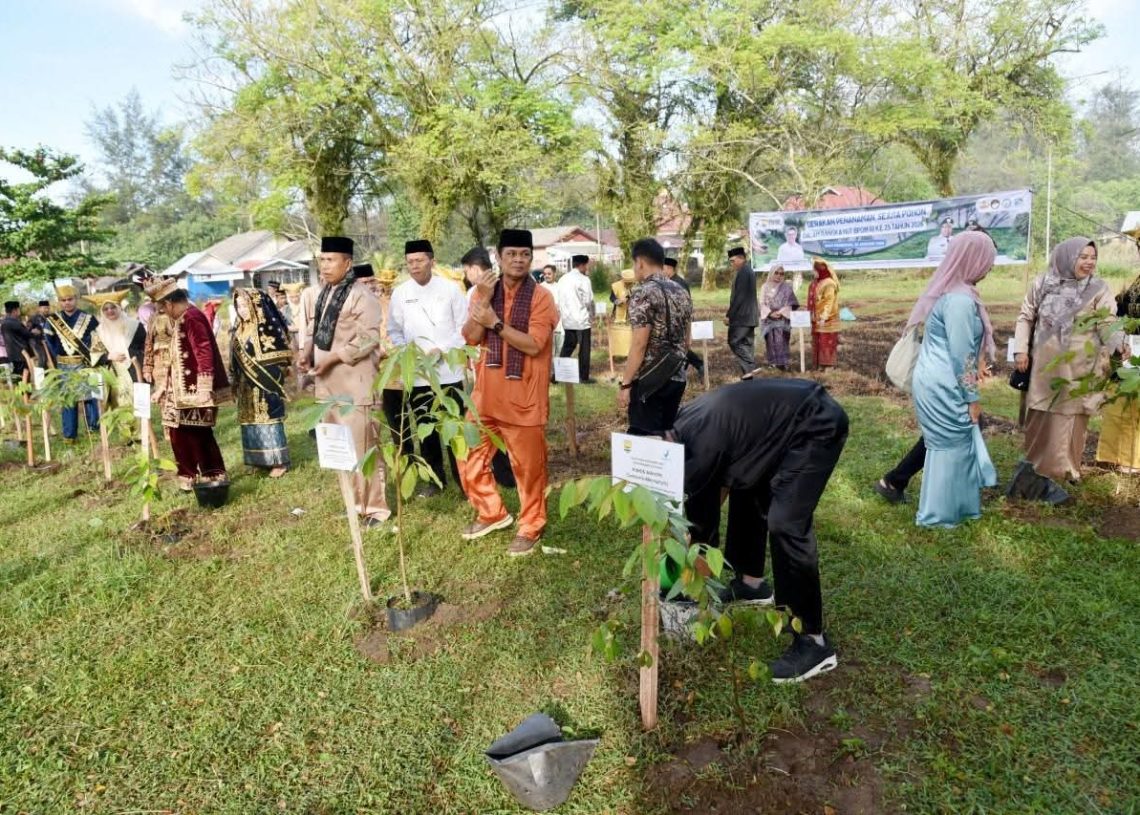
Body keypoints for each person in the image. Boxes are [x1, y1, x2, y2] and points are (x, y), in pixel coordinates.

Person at [673, 378, 848, 683]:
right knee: (747, 482)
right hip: (784, 422)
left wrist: (690, 592)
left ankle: (813, 641)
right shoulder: (683, 425)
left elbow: (703, 536)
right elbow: (721, 488)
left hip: (817, 426)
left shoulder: (696, 455)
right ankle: (752, 584)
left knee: (787, 523)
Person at [459, 228, 559, 556]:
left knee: (529, 470)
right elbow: (472, 337)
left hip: (524, 398)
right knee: (467, 453)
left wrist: (496, 323)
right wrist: (485, 303)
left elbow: (533, 344)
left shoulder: (542, 297)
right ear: (498, 258)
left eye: (524, 255)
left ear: (531, 258)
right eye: (511, 254)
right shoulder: (483, 292)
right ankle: (491, 512)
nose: (518, 260)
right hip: (485, 397)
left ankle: (531, 525)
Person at [1008, 237, 1119, 497]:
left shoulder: (1099, 288)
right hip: (1045, 366)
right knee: (1041, 412)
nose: (1089, 262)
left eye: (1093, 257)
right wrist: (1021, 349)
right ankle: (1036, 468)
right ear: (1067, 257)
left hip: (1080, 367)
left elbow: (1107, 323)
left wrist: (1119, 344)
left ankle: (1067, 470)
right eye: (1083, 257)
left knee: (1073, 417)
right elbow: (1026, 316)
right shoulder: (1043, 283)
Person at [907, 232, 999, 527]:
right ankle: (939, 515)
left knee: (956, 444)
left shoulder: (959, 292)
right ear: (973, 259)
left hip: (942, 377)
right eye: (988, 259)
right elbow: (961, 354)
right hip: (944, 382)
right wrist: (972, 397)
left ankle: (959, 508)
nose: (991, 266)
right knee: (950, 445)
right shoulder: (959, 300)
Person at [301, 235, 390, 527]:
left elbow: (369, 338)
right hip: (329, 386)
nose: (325, 266)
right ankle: (355, 504)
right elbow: (315, 328)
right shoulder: (325, 293)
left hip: (357, 386)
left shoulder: (361, 295)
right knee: (340, 448)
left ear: (347, 262)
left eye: (331, 260)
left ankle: (375, 509)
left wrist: (333, 357)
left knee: (363, 448)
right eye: (322, 260)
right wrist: (307, 354)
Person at [386, 238, 468, 497]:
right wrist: (409, 354)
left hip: (448, 373)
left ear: (432, 261)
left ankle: (465, 479)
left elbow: (463, 328)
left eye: (420, 260)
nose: (414, 266)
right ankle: (436, 480)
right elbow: (394, 331)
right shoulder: (401, 293)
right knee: (427, 430)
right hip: (419, 375)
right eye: (410, 262)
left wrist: (441, 350)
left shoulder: (451, 289)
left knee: (455, 428)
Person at [135, 272, 229, 492]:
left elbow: (203, 351)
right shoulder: (182, 318)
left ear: (169, 303)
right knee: (181, 432)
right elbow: (174, 358)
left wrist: (205, 388)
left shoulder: (192, 317)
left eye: (162, 307)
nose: (162, 312)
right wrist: (162, 388)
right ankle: (189, 474)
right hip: (180, 389)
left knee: (198, 432)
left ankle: (212, 472)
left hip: (195, 389)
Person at [618, 238, 692, 434]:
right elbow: (687, 340)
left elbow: (640, 343)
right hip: (677, 375)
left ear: (640, 262)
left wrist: (625, 384)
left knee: (644, 444)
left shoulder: (643, 292)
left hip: (650, 381)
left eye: (634, 264)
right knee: (665, 437)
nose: (634, 268)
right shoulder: (681, 291)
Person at [230, 288, 292, 478]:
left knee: (268, 420)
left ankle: (278, 461)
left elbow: (280, 357)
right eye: (238, 306)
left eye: (245, 305)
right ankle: (258, 459)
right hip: (245, 384)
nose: (241, 310)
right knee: (250, 421)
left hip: (264, 384)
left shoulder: (265, 327)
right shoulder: (239, 328)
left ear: (255, 305)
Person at [42, 284, 100, 441]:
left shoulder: (89, 318)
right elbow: (50, 342)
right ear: (59, 302)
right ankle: (70, 435)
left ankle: (94, 429)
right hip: (63, 366)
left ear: (76, 299)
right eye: (63, 300)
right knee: (68, 400)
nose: (67, 302)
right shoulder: (53, 320)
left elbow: (97, 341)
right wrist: (58, 359)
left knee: (89, 397)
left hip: (85, 364)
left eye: (70, 299)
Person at [1097, 271, 1140, 471]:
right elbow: (1119, 312)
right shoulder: (1135, 284)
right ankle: (1116, 457)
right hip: (1129, 350)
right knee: (1120, 400)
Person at [88, 292, 146, 408]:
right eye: (106, 309)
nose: (110, 311)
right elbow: (94, 355)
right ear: (102, 312)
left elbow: (145, 348)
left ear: (119, 307)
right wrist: (108, 356)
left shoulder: (135, 326)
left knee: (140, 410)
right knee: (118, 410)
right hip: (113, 375)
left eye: (113, 307)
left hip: (135, 372)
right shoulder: (98, 332)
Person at [664, 257, 704, 376]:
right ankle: (692, 365)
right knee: (677, 347)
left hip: (679, 321)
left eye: (663, 268)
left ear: (669, 268)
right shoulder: (669, 282)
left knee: (679, 347)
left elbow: (686, 305)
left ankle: (698, 364)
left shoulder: (678, 283)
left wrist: (687, 327)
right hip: (672, 320)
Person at [557, 254, 594, 383]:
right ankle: (583, 377)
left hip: (567, 318)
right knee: (584, 349)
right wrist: (590, 313)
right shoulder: (584, 280)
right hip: (581, 319)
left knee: (568, 346)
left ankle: (557, 375)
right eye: (586, 265)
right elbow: (588, 301)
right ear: (582, 265)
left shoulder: (562, 279)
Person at [724, 246, 758, 378]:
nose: (731, 264)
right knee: (746, 344)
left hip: (742, 317)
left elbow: (740, 297)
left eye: (733, 261)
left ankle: (750, 366)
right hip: (749, 317)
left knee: (734, 341)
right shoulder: (747, 270)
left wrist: (729, 315)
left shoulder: (744, 272)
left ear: (741, 258)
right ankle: (749, 376)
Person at [759, 265, 798, 370]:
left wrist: (781, 313)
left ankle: (783, 363)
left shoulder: (787, 287)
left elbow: (791, 303)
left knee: (782, 340)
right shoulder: (764, 286)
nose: (778, 275)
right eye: (776, 272)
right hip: (769, 319)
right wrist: (770, 313)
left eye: (781, 273)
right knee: (770, 340)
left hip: (782, 318)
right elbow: (761, 303)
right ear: (772, 273)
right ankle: (772, 363)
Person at [808, 260, 840, 369]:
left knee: (827, 341)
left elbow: (829, 301)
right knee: (818, 341)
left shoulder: (829, 283)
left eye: (814, 270)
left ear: (820, 270)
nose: (812, 272)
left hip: (828, 319)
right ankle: (819, 364)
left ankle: (828, 366)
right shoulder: (815, 282)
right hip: (816, 319)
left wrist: (824, 317)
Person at [1, 302, 36, 379]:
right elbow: (27, 334)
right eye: (18, 309)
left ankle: (21, 389)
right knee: (25, 373)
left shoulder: (3, 322)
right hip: (22, 353)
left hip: (12, 354)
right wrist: (34, 332)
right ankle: (24, 390)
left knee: (19, 374)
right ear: (14, 311)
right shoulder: (15, 322)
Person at [540, 264, 564, 373]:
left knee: (559, 349)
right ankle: (548, 373)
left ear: (554, 274)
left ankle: (557, 374)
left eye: (549, 274)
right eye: (545, 274)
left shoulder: (560, 287)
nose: (547, 276)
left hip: (560, 324)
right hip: (546, 324)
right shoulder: (540, 288)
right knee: (549, 350)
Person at [29, 300, 51, 367]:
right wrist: (33, 331)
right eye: (44, 308)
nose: (46, 310)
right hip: (37, 343)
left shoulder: (51, 317)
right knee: (42, 359)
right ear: (39, 308)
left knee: (52, 358)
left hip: (49, 342)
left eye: (47, 308)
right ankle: (40, 376)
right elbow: (28, 331)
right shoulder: (34, 318)